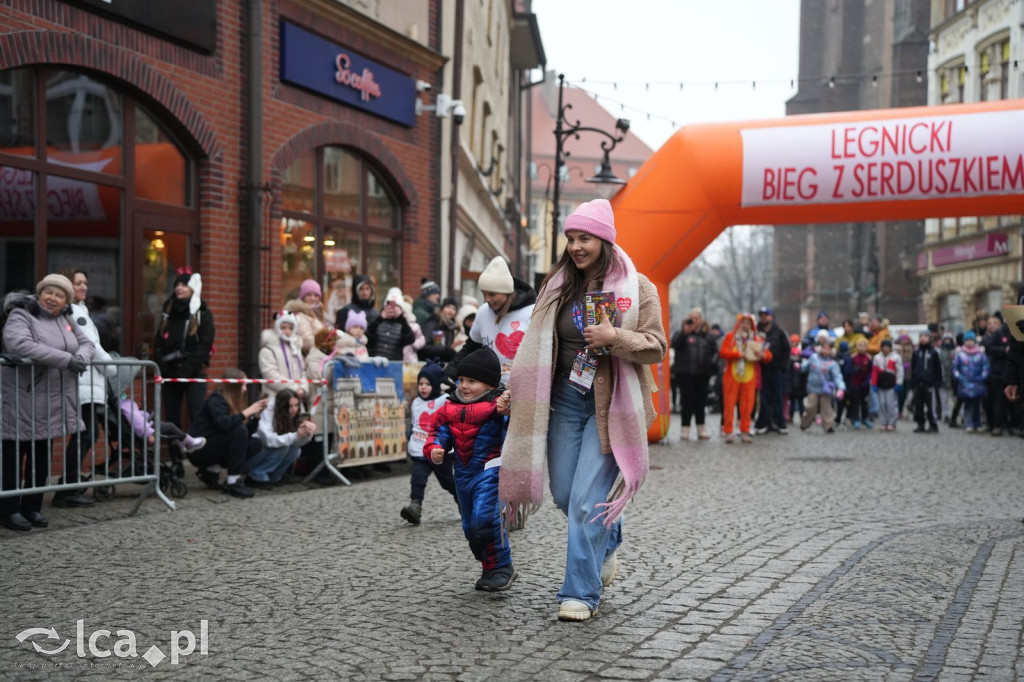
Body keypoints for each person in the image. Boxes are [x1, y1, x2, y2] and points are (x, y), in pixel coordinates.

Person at [499, 198, 667, 621]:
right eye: (571, 238)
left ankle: (579, 593)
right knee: (564, 496)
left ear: (604, 241)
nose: (576, 246)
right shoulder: (557, 284)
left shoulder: (638, 288)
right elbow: (535, 345)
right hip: (562, 400)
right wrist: (514, 390)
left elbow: (657, 348)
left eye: (585, 238)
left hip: (610, 405)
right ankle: (607, 535)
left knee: (586, 500)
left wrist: (615, 338)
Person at [1, 274, 95, 531]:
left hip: (50, 401)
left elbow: (88, 343)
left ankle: (32, 507)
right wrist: (66, 360)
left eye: (60, 295)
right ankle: (8, 510)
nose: (52, 298)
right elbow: (20, 343)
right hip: (22, 397)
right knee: (13, 455)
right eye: (48, 292)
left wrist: (81, 358)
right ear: (40, 293)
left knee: (40, 457)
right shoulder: (21, 314)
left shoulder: (65, 319)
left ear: (66, 300)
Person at [425, 348, 514, 591]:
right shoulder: (448, 407)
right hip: (462, 474)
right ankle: (489, 567)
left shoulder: (500, 405)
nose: (464, 385)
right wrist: (434, 448)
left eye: (472, 381)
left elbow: (515, 431)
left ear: (489, 385)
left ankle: (503, 565)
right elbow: (438, 433)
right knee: (469, 528)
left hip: (490, 470)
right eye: (462, 379)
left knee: (484, 519)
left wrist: (510, 411)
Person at [58, 268, 115, 508]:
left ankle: (67, 484)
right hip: (85, 385)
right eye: (78, 283)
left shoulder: (80, 310)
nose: (83, 287)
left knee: (86, 435)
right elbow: (91, 345)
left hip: (88, 384)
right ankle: (68, 488)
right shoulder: (75, 311)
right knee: (85, 435)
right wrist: (112, 368)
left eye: (85, 283)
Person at [446, 255, 537, 387]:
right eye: (484, 294)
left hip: (521, 390)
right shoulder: (483, 312)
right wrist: (450, 372)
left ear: (506, 292)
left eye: (492, 294)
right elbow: (471, 348)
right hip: (488, 390)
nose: (487, 299)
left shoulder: (532, 312)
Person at [186, 368, 268, 498]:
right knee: (239, 430)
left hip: (214, 445)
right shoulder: (216, 399)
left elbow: (244, 434)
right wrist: (246, 412)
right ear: (234, 386)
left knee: (255, 444)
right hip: (198, 450)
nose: (245, 389)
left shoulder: (232, 400)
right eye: (243, 385)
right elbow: (224, 424)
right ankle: (233, 482)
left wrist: (256, 416)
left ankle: (211, 472)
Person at [401, 360, 459, 525]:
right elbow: (415, 423)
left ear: (435, 385)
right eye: (421, 383)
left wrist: (454, 389)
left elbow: (455, 402)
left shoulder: (444, 400)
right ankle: (415, 506)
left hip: (439, 450)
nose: (423, 387)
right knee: (417, 479)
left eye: (427, 384)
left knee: (447, 482)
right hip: (420, 449)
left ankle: (462, 500)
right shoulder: (416, 402)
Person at [155, 271, 214, 428]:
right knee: (171, 416)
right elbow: (158, 342)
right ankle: (176, 450)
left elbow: (205, 343)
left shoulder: (202, 312)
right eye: (177, 285)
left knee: (197, 414)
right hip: (170, 373)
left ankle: (197, 451)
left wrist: (187, 369)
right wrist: (163, 367)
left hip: (194, 372)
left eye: (184, 285)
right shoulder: (168, 312)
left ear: (193, 289)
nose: (179, 288)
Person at [246, 389, 315, 489]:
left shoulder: (296, 413)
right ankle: (256, 474)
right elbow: (268, 440)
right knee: (283, 447)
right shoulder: (268, 411)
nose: (294, 409)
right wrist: (295, 435)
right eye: (290, 406)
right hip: (256, 452)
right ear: (282, 406)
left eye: (296, 405)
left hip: (270, 450)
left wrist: (307, 434)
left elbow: (296, 443)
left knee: (295, 451)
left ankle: (275, 476)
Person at [720, 313, 771, 444]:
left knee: (747, 405)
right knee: (729, 405)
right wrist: (738, 354)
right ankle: (728, 431)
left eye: (748, 323)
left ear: (752, 325)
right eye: (743, 323)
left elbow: (768, 356)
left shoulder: (756, 339)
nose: (745, 326)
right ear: (739, 324)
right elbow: (723, 352)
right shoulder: (731, 338)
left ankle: (745, 430)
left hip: (749, 376)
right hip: (732, 376)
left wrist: (761, 355)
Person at [672, 309, 717, 441]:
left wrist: (711, 367)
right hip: (685, 373)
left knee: (700, 402)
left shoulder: (707, 336)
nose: (694, 321)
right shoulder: (682, 334)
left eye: (696, 318)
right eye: (691, 318)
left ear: (701, 320)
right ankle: (685, 429)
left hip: (703, 374)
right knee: (687, 402)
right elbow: (674, 344)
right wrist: (685, 332)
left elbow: (715, 352)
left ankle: (701, 429)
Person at [118, 394, 207, 455]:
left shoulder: (117, 405)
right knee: (170, 426)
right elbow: (136, 419)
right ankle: (188, 441)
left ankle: (180, 443)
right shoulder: (125, 405)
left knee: (165, 427)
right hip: (147, 427)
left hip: (145, 422)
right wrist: (148, 434)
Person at [755, 307, 790, 435]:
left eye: (766, 315)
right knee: (763, 398)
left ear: (771, 317)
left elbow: (787, 349)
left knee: (778, 397)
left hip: (776, 370)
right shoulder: (756, 332)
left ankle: (780, 422)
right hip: (762, 370)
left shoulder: (779, 332)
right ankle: (763, 422)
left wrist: (783, 367)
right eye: (761, 315)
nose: (764, 317)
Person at [257, 311, 306, 401]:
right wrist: (295, 388)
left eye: (291, 328)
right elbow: (270, 374)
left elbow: (302, 372)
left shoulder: (295, 349)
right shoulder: (268, 350)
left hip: (295, 399)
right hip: (275, 398)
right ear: (277, 327)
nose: (287, 331)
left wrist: (303, 388)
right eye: (283, 328)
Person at [800, 340, 845, 434]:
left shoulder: (832, 363)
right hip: (812, 387)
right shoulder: (813, 358)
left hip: (825, 390)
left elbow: (837, 376)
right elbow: (805, 367)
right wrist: (799, 366)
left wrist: (841, 387)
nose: (825, 351)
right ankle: (805, 424)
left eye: (828, 349)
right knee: (811, 407)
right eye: (824, 348)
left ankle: (828, 426)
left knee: (826, 408)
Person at [952, 331, 989, 434]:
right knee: (967, 405)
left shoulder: (980, 354)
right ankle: (968, 423)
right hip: (965, 384)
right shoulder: (960, 354)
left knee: (977, 405)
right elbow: (955, 368)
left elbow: (986, 367)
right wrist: (960, 377)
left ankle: (977, 424)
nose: (969, 342)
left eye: (971, 340)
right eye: (967, 340)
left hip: (978, 384)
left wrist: (982, 377)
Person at [981, 314, 1011, 436]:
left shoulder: (1007, 333)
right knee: (994, 400)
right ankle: (994, 424)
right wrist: (1003, 350)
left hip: (1006, 371)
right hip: (993, 373)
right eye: (989, 323)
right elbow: (989, 350)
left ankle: (1009, 423)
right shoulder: (988, 338)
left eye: (994, 323)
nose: (991, 325)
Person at [366, 288, 415, 362]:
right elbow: (368, 337)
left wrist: (401, 318)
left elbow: (409, 339)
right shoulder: (377, 320)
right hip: (375, 362)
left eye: (396, 306)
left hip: (393, 365)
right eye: (389, 305)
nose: (392, 308)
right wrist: (380, 318)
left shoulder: (403, 324)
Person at [284, 279, 326, 355]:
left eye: (316, 295)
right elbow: (307, 341)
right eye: (309, 295)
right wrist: (326, 347)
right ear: (303, 297)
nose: (313, 298)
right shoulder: (300, 314)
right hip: (310, 357)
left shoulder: (317, 312)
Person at [911, 331, 942, 433]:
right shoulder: (916, 352)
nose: (923, 339)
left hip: (930, 383)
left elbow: (938, 368)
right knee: (919, 405)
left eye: (925, 337)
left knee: (930, 406)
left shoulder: (934, 353)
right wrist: (913, 380)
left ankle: (933, 424)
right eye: (921, 337)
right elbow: (913, 367)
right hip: (918, 382)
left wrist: (937, 381)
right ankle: (920, 424)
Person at [871, 339, 904, 432]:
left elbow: (900, 371)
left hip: (891, 384)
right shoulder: (877, 357)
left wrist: (899, 383)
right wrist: (874, 383)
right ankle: (883, 422)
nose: (885, 349)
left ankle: (892, 422)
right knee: (882, 404)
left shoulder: (896, 357)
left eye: (887, 347)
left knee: (891, 404)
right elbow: (874, 371)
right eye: (884, 347)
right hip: (881, 384)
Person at [419, 297, 460, 362]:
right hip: (430, 363)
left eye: (454, 309)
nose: (451, 311)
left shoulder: (452, 327)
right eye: (448, 307)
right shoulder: (432, 324)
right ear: (441, 309)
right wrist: (446, 350)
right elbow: (424, 347)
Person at [846, 339, 873, 429]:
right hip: (855, 383)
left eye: (864, 345)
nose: (862, 347)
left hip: (864, 383)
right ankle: (856, 419)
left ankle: (865, 418)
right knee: (855, 402)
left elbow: (871, 371)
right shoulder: (853, 357)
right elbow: (848, 370)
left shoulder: (868, 358)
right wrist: (855, 369)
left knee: (864, 402)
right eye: (860, 345)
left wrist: (867, 380)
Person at [786, 345, 807, 425]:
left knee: (801, 404)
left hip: (800, 389)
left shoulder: (803, 365)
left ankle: (802, 418)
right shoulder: (789, 365)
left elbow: (804, 378)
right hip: (793, 389)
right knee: (792, 405)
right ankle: (790, 417)